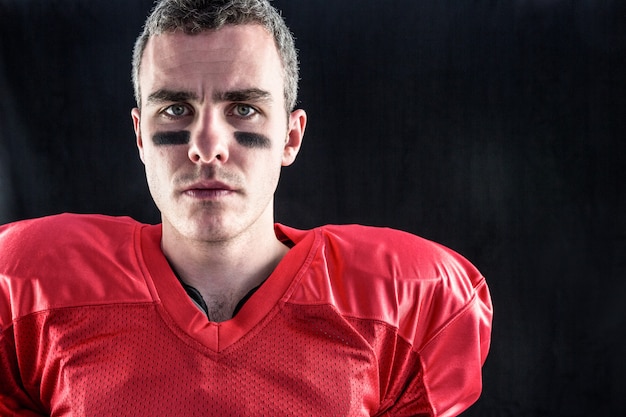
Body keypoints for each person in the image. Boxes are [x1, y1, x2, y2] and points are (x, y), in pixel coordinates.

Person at [0, 0, 492, 415]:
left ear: (291, 137)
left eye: (243, 108)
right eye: (175, 109)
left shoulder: (404, 303)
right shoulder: (30, 290)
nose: (208, 146)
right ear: (140, 137)